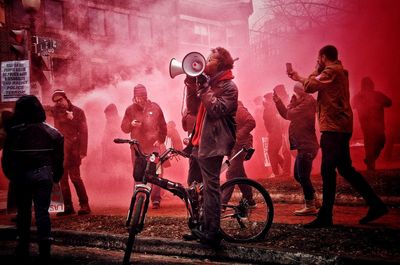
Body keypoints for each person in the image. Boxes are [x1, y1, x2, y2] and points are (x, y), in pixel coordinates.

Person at [288, 45, 388, 228]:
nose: (317, 61)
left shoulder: (330, 71)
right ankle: (376, 204)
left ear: (323, 57)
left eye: (319, 58)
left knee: (328, 170)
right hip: (340, 127)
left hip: (333, 128)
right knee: (345, 169)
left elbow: (310, 86)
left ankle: (326, 216)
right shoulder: (339, 71)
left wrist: (309, 72)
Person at [183, 47, 238, 247]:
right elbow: (192, 109)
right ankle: (200, 228)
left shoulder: (229, 87)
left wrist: (205, 88)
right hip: (198, 143)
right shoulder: (209, 83)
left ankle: (212, 232)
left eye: (210, 58)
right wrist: (191, 85)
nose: (206, 61)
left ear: (221, 63)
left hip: (213, 144)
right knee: (194, 186)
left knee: (211, 188)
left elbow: (216, 110)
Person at [2, 95, 64, 263]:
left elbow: (6, 158)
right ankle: (45, 250)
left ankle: (23, 246)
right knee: (42, 212)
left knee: (24, 213)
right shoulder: (51, 131)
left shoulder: (14, 132)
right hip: (43, 175)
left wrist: (11, 175)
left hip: (21, 176)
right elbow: (58, 154)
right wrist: (56, 174)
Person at [273, 83, 320, 215]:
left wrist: (291, 104)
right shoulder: (300, 101)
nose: (294, 92)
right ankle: (314, 200)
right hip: (303, 145)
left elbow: (290, 114)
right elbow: (287, 114)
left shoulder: (307, 102)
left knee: (303, 176)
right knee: (298, 175)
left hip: (307, 144)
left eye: (297, 90)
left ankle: (310, 205)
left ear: (302, 90)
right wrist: (279, 103)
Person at [121, 84, 167, 209]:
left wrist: (160, 140)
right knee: (138, 173)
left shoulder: (155, 107)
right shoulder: (130, 110)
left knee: (157, 172)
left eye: (143, 96)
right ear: (134, 97)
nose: (140, 99)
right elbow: (124, 128)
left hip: (153, 147)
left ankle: (156, 199)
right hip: (137, 148)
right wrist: (131, 124)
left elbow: (163, 125)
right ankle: (139, 197)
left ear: (146, 96)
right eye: (138, 96)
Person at [49, 89, 91, 216]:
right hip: (60, 151)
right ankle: (67, 206)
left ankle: (85, 205)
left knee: (75, 178)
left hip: (74, 150)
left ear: (66, 98)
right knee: (62, 179)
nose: (59, 103)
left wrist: (83, 151)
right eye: (56, 101)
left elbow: (84, 132)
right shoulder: (55, 112)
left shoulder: (78, 112)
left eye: (60, 100)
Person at [352, 77, 392, 171]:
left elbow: (389, 103)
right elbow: (353, 105)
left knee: (379, 142)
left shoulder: (377, 95)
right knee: (373, 143)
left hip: (377, 125)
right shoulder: (361, 96)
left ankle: (370, 159)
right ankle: (370, 164)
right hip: (368, 126)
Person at [222, 100, 255, 206]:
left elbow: (251, 122)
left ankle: (222, 203)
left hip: (242, 145)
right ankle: (249, 199)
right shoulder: (228, 111)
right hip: (234, 146)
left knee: (231, 173)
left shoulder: (239, 109)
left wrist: (238, 135)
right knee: (239, 173)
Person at [263, 92, 289, 178]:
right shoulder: (271, 107)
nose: (265, 101)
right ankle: (283, 169)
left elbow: (271, 122)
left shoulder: (270, 108)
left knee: (272, 153)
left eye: (266, 99)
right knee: (273, 152)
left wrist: (271, 132)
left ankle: (276, 173)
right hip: (275, 133)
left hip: (274, 133)